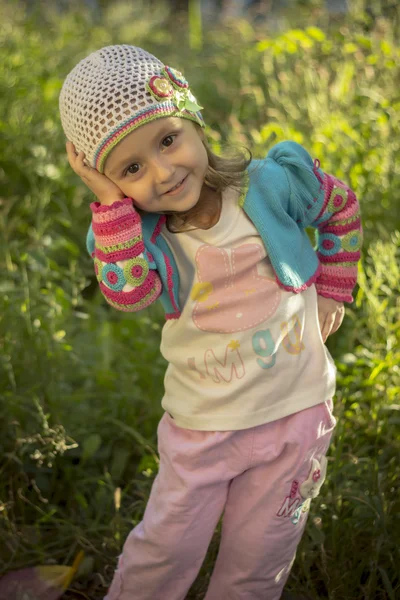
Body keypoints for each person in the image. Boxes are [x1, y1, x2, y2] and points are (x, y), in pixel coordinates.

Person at [59, 44, 362, 600]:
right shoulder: (135, 236)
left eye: (169, 140)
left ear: (193, 119)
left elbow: (341, 206)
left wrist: (334, 288)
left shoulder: (270, 185)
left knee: (257, 562)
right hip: (203, 429)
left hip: (294, 416)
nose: (165, 171)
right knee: (165, 551)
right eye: (131, 168)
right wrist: (108, 200)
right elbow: (130, 296)